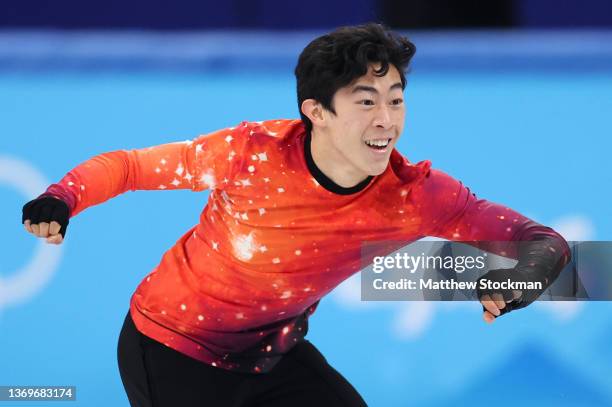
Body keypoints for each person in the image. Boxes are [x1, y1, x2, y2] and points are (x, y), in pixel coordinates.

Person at [21, 23, 570, 407]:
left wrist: (524, 279)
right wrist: (63, 197)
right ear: (316, 112)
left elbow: (541, 241)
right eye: (365, 101)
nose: (386, 120)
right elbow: (129, 167)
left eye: (396, 99)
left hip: (271, 355)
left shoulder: (417, 195)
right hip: (170, 350)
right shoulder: (249, 154)